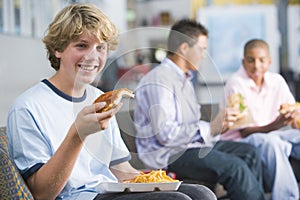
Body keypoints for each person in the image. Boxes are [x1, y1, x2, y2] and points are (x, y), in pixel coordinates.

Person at [6, 4, 217, 200]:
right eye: (82, 45)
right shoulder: (28, 107)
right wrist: (78, 134)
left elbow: (120, 169)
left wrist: (155, 182)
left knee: (201, 194)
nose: (93, 56)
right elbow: (41, 193)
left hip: (108, 191)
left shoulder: (99, 97)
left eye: (101, 48)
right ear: (57, 50)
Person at [133, 19, 266, 200]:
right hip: (169, 156)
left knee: (250, 152)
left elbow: (190, 126)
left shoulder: (184, 80)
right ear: (184, 48)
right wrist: (210, 127)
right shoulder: (159, 80)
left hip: (190, 147)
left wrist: (221, 126)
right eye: (202, 49)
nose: (204, 55)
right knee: (235, 167)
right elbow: (166, 134)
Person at [220, 38, 299, 200]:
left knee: (280, 139)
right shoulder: (236, 84)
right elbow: (244, 132)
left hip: (271, 134)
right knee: (272, 142)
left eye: (261, 60)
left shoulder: (277, 81)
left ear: (269, 61)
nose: (256, 66)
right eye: (251, 60)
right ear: (243, 62)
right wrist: (277, 124)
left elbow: (293, 115)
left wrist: (294, 118)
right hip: (242, 141)